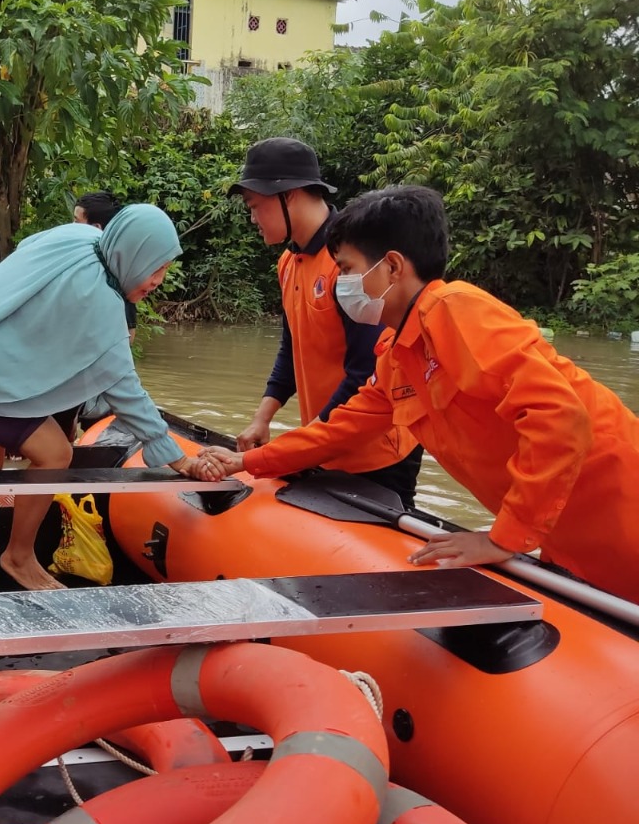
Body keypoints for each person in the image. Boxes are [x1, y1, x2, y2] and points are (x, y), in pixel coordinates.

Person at [203, 185, 639, 604]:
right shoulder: (398, 354)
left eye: (350, 269)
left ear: (392, 267)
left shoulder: (455, 309)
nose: (343, 284)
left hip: (620, 510)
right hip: (567, 533)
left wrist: (503, 538)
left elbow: (561, 418)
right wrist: (248, 462)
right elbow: (341, 429)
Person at [0, 204, 226, 591]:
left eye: (164, 269)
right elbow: (127, 391)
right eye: (153, 268)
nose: (158, 280)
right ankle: (19, 557)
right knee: (56, 454)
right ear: (130, 254)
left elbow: (29, 249)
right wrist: (180, 460)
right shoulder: (104, 307)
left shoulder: (82, 237)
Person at [229, 137, 422, 505]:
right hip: (324, 441)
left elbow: (367, 371)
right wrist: (262, 418)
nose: (252, 218)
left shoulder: (352, 267)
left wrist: (301, 446)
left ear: (289, 196)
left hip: (376, 449)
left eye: (255, 206)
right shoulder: (289, 263)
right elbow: (292, 346)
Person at [74, 191, 137, 344]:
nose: (71, 226)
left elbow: (128, 335)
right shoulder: (74, 260)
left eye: (76, 221)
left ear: (96, 228)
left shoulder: (115, 271)